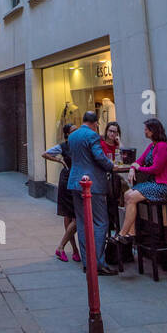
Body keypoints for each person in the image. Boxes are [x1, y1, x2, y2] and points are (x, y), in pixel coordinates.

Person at [66, 111, 117, 276]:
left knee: (82, 222)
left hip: (75, 181)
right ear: (95, 123)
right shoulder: (93, 136)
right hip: (91, 184)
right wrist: (112, 166)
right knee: (101, 222)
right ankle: (98, 263)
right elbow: (99, 157)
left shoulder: (73, 136)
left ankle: (87, 262)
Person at [112, 118, 167, 245]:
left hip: (163, 186)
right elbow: (138, 161)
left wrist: (138, 168)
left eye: (146, 129)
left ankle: (123, 234)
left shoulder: (162, 146)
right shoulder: (152, 146)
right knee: (127, 194)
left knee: (130, 197)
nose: (145, 132)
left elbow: (156, 169)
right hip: (153, 184)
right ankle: (131, 233)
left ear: (153, 131)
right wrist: (132, 169)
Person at [42, 124, 79, 263]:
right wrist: (59, 160)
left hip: (78, 181)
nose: (76, 133)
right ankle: (74, 250)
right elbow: (45, 153)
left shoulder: (81, 144)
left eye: (77, 130)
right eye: (73, 131)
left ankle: (62, 247)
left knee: (76, 217)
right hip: (66, 180)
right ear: (68, 134)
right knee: (69, 216)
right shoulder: (63, 146)